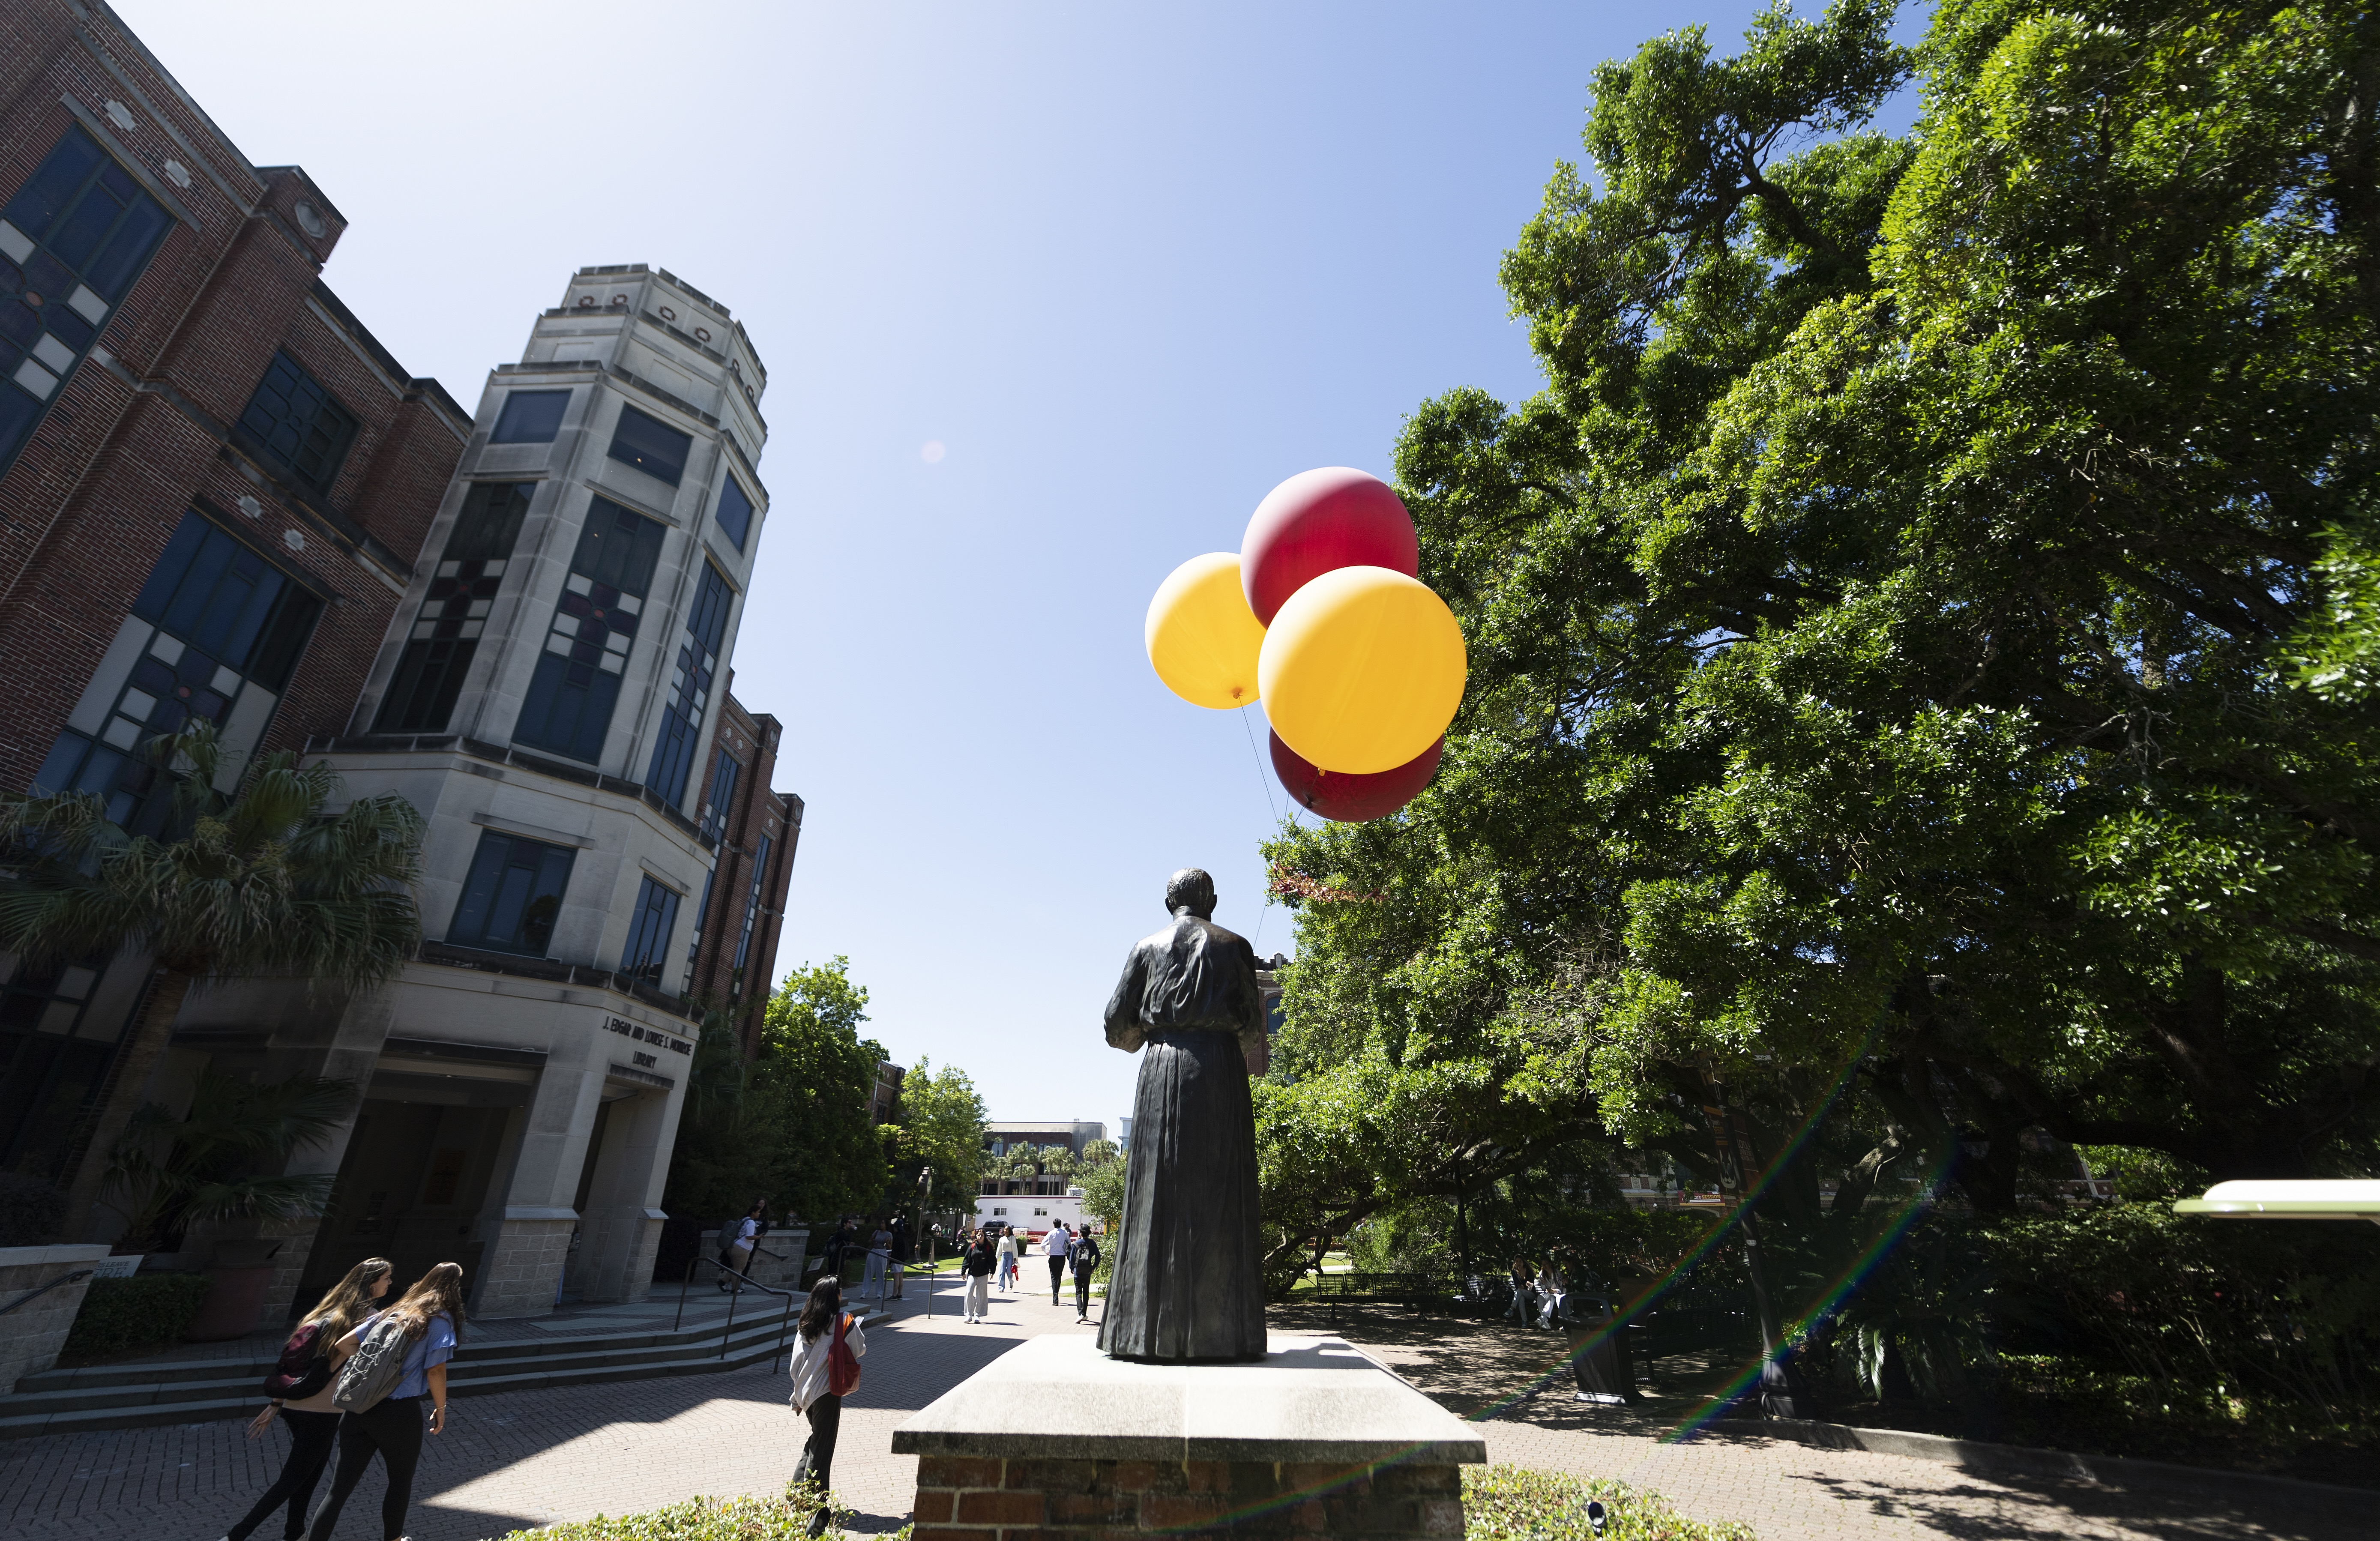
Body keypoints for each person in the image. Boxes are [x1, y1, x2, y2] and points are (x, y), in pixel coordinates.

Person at [1097, 868, 1269, 1362]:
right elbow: (1252, 1031)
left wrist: (1156, 1031)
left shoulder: (1146, 946)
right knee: (1222, 1194)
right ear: (1211, 900)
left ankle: (1143, 1335)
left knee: (1157, 1193)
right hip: (1219, 1072)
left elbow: (1115, 1026)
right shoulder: (1234, 946)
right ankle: (1225, 1334)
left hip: (1162, 1069)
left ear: (1167, 901)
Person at [215, 1259, 390, 1541]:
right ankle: (236, 1535)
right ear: (372, 1283)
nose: (389, 1283)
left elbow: (291, 1366)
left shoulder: (324, 1312)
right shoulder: (368, 1319)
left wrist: (275, 1404)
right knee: (292, 1479)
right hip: (324, 1410)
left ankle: (294, 1533)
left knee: (309, 1475)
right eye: (387, 1278)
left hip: (295, 1406)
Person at [304, 1261, 463, 1541]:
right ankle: (393, 1539)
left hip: (358, 1408)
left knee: (338, 1490)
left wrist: (374, 1373)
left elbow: (344, 1343)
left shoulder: (393, 1312)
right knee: (400, 1482)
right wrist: (441, 1408)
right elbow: (436, 1369)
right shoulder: (439, 1320)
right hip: (399, 1411)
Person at [787, 1277, 866, 1538]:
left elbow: (795, 1363)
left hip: (807, 1394)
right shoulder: (844, 1322)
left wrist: (797, 1397)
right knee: (824, 1445)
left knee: (816, 1440)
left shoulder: (805, 1323)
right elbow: (860, 1349)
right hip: (828, 1392)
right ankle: (817, 1508)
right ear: (836, 1296)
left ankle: (797, 1491)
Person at [724, 1199, 768, 1292]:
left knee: (735, 1267)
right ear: (753, 1213)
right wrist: (758, 1237)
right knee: (739, 1269)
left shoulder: (745, 1220)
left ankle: (723, 1281)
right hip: (742, 1248)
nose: (759, 1214)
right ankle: (735, 1289)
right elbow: (749, 1236)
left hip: (734, 1245)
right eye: (758, 1212)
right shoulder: (751, 1223)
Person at [1068, 1223, 1101, 1324]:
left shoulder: (1076, 1244)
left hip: (1078, 1271)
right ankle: (1084, 1313)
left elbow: (1072, 1258)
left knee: (1079, 1292)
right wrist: (1094, 1267)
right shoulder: (1092, 1243)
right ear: (1090, 1233)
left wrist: (1072, 1268)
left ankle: (1081, 1314)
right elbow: (1098, 1256)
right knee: (1086, 1292)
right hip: (1088, 1271)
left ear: (1081, 1233)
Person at [961, 1230, 996, 1323]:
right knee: (969, 1292)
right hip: (972, 1274)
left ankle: (978, 1315)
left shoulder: (988, 1248)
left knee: (981, 1295)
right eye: (979, 1235)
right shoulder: (972, 1247)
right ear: (976, 1236)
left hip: (983, 1274)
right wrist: (963, 1271)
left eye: (982, 1235)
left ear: (985, 1237)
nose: (980, 1237)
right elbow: (967, 1260)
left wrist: (992, 1271)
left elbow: (993, 1261)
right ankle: (969, 1315)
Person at [865, 1218, 894, 1301]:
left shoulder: (889, 1234)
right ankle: (865, 1291)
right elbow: (870, 1241)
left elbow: (890, 1247)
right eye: (881, 1223)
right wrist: (873, 1241)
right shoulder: (876, 1232)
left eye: (883, 1223)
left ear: (886, 1225)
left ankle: (879, 1293)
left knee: (881, 1272)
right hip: (874, 1250)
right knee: (869, 1271)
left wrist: (887, 1242)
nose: (881, 1225)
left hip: (882, 1251)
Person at [1043, 1221, 1071, 1305]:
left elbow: (1043, 1244)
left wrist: (1047, 1252)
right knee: (1059, 1276)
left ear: (1054, 1225)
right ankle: (1056, 1295)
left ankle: (1055, 1297)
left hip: (1053, 1257)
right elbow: (1069, 1242)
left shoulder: (1051, 1233)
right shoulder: (1065, 1233)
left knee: (1054, 1277)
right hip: (1062, 1257)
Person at [996, 1226, 1018, 1292]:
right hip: (1004, 1255)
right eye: (1005, 1230)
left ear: (1010, 1231)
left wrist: (1015, 1258)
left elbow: (1015, 1248)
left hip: (1010, 1256)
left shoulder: (1012, 1238)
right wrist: (996, 1259)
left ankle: (1011, 1282)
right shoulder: (1002, 1239)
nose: (1006, 1231)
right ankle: (1001, 1287)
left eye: (1007, 1230)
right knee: (1002, 1272)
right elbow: (999, 1249)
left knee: (1009, 1271)